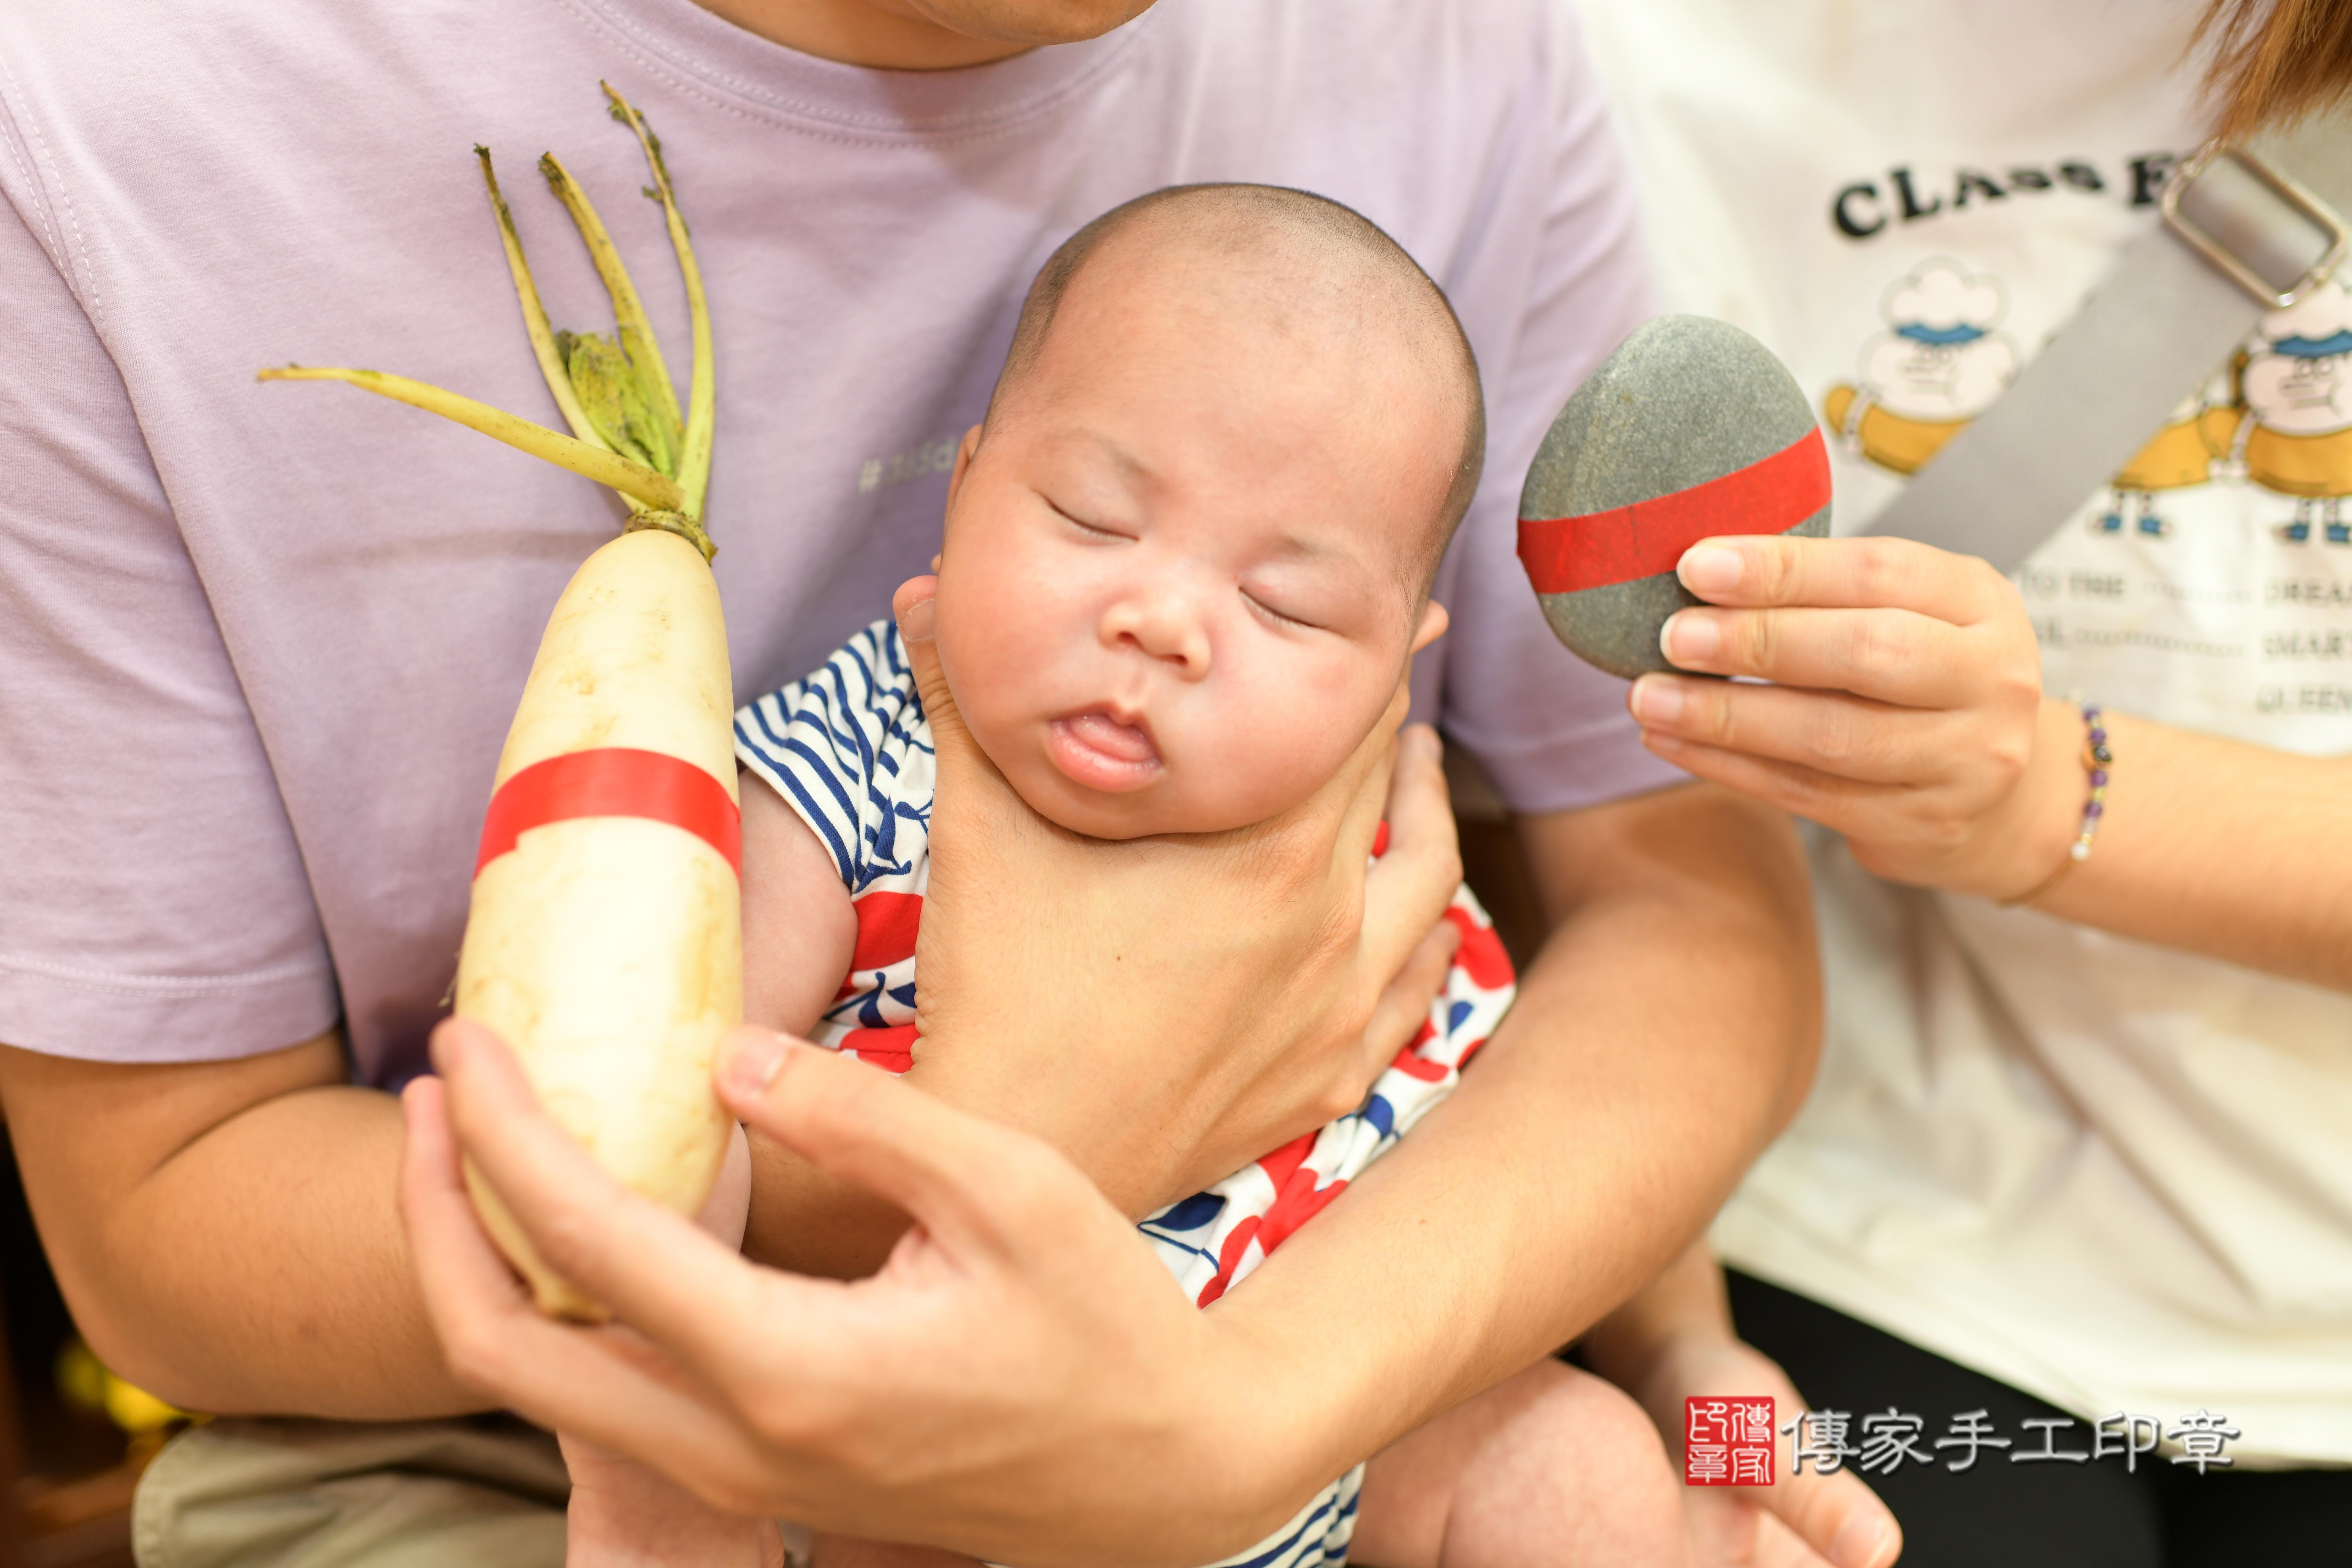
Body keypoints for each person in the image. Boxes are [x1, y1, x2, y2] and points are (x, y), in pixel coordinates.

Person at [0, 0, 1867, 1563]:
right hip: (753, 1405)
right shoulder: (853, 749)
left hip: (1344, 1377)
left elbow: (1640, 937)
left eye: (1288, 603)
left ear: (1409, 657)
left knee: (1599, 1489)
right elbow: (665, 1119)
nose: (1163, 621)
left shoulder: (1378, 793)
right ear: (956, 499)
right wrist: (941, 1197)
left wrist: (1683, 1357)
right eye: (1086, 518)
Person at [1574, 0, 2352, 1561]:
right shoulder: (1629, 61)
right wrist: (1668, 1347)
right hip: (1876, 1265)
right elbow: (1601, 794)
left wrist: (2044, 795)